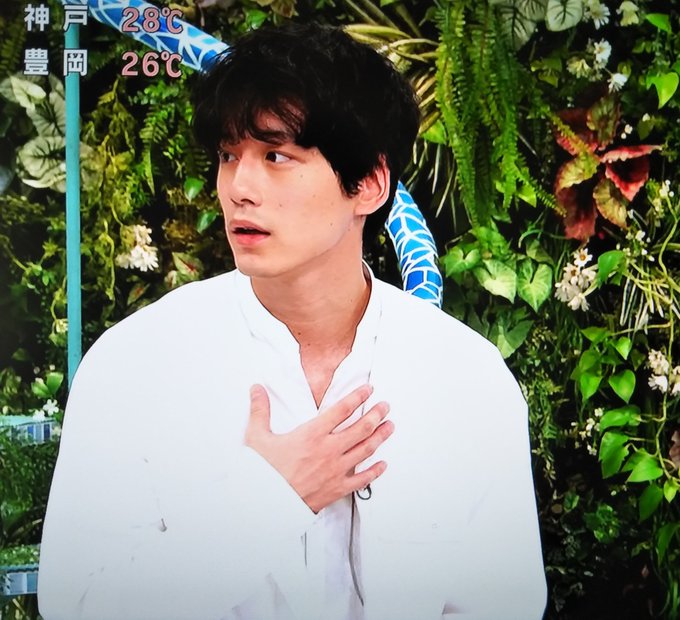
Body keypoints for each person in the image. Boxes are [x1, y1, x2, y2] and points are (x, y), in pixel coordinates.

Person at [38, 22, 546, 620]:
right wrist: (268, 501)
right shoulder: (138, 365)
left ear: (369, 184)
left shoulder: (464, 377)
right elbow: (75, 603)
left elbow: (506, 606)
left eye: (276, 156)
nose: (239, 188)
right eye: (229, 156)